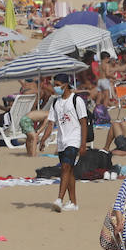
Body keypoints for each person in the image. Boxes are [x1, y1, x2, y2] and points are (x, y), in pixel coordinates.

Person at [35, 75, 88, 211]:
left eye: (58, 84)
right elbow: (51, 123)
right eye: (55, 84)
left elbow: (83, 123)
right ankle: (73, 203)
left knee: (65, 167)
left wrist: (83, 144)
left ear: (65, 85)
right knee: (68, 171)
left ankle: (59, 199)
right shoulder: (55, 103)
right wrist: (43, 139)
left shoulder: (77, 100)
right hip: (61, 140)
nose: (55, 87)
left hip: (74, 139)